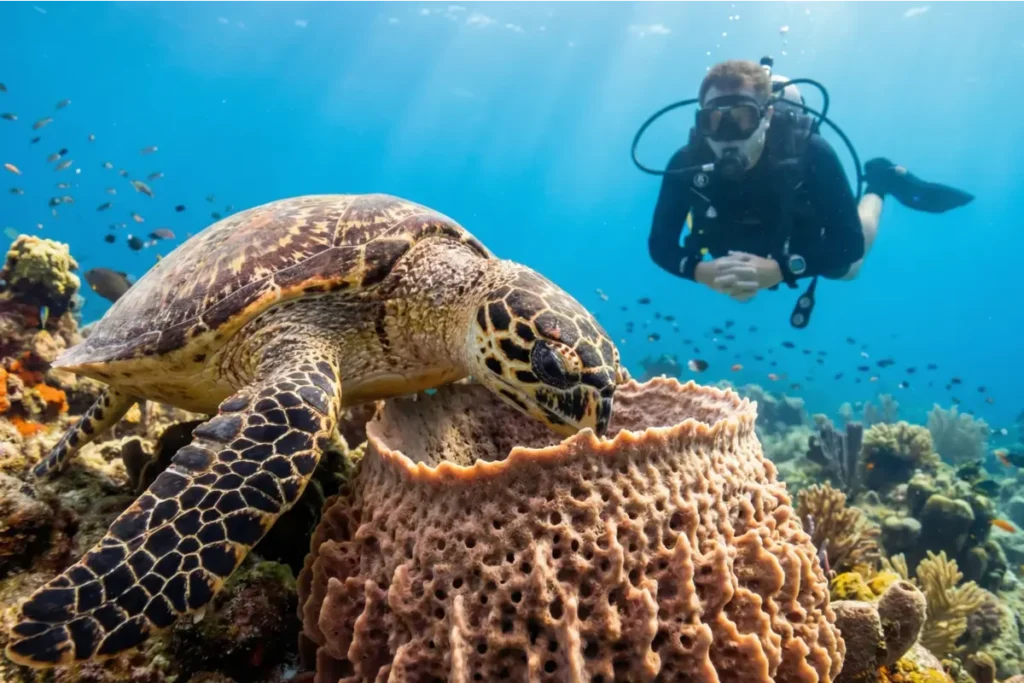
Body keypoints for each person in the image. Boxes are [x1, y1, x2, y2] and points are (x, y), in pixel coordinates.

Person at [647, 59, 974, 303]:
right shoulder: (686, 163)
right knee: (743, 291)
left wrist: (780, 270)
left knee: (850, 269)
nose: (727, 138)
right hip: (729, 237)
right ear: (701, 121)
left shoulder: (808, 152)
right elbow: (660, 244)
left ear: (767, 117)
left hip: (800, 236)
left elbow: (849, 243)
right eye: (714, 121)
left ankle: (879, 183)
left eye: (742, 119)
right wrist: (700, 272)